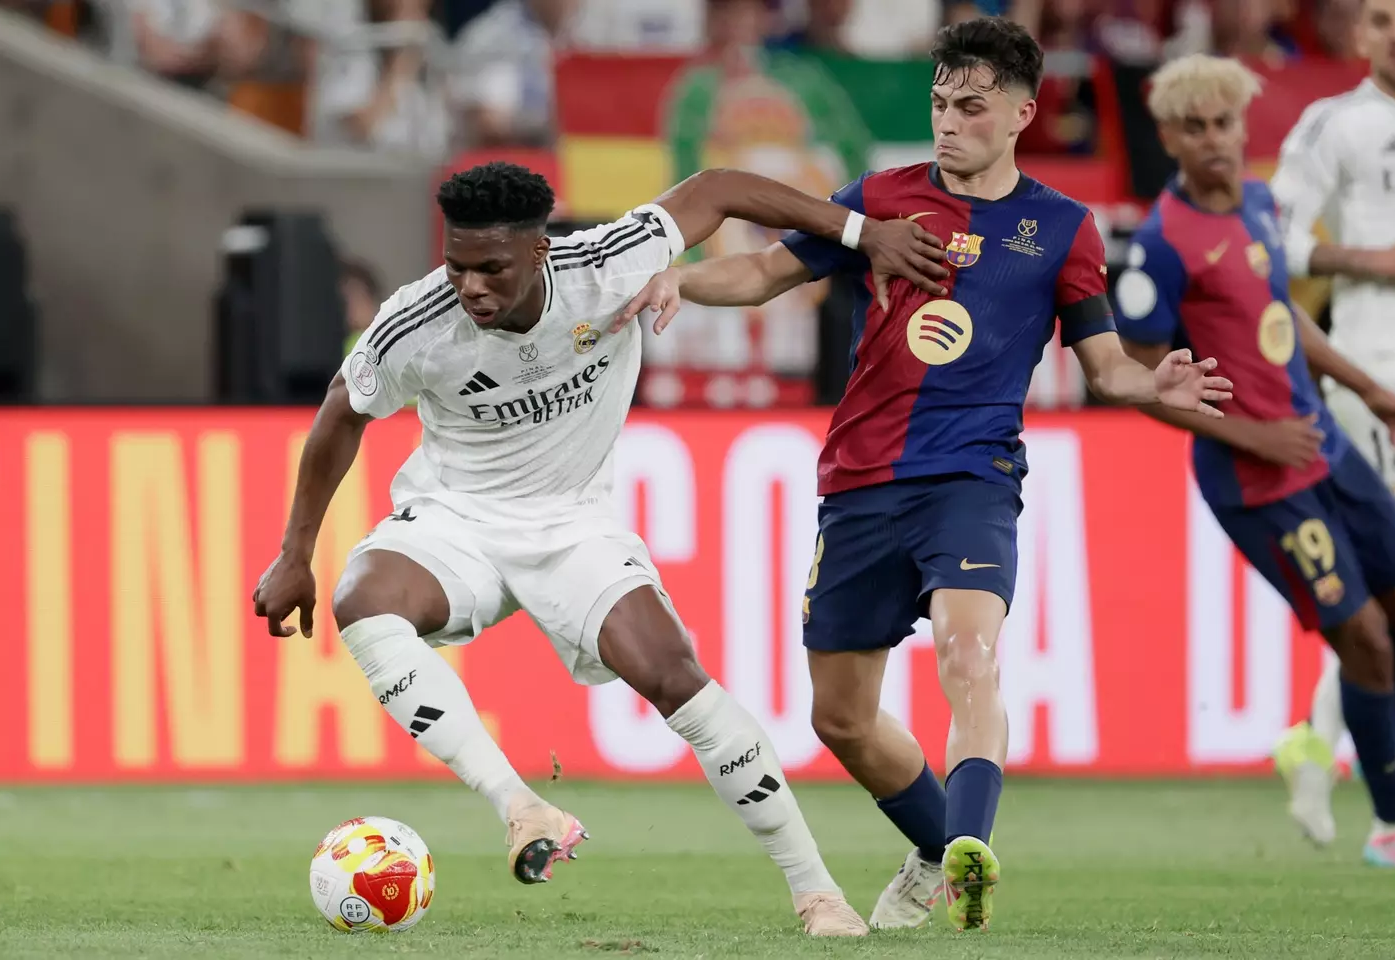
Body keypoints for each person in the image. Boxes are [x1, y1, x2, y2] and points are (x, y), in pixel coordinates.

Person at [612, 17, 1233, 931]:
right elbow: (763, 272)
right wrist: (677, 278)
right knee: (841, 718)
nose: (948, 121)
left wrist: (1155, 382)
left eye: (971, 107)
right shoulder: (879, 203)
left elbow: (1105, 369)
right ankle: (941, 849)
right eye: (940, 103)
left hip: (972, 478)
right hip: (859, 482)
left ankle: (972, 845)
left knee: (967, 654)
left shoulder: (1062, 229)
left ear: (1022, 114)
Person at [251, 161, 949, 936]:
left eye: (492, 268)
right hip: (456, 519)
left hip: (574, 526)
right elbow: (342, 410)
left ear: (540, 251)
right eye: (457, 266)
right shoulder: (415, 323)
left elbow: (719, 189)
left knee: (675, 676)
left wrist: (861, 232)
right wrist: (295, 554)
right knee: (364, 599)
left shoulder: (609, 263)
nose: (471, 286)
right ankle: (521, 807)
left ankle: (817, 893)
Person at [1112, 52, 1395, 868]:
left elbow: (1281, 312)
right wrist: (1256, 436)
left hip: (1321, 443)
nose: (1213, 139)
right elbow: (1135, 380)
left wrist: (1371, 389)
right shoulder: (1162, 246)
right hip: (1256, 479)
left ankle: (1362, 761)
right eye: (1194, 127)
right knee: (1365, 637)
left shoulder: (1260, 203)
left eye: (1224, 123)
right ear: (1169, 138)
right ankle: (1394, 824)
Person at [1268, 0, 1395, 846]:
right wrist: (1373, 259)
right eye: (1383, 18)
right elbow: (1271, 237)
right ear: (1360, 35)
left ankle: (1319, 737)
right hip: (1381, 375)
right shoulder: (1336, 125)